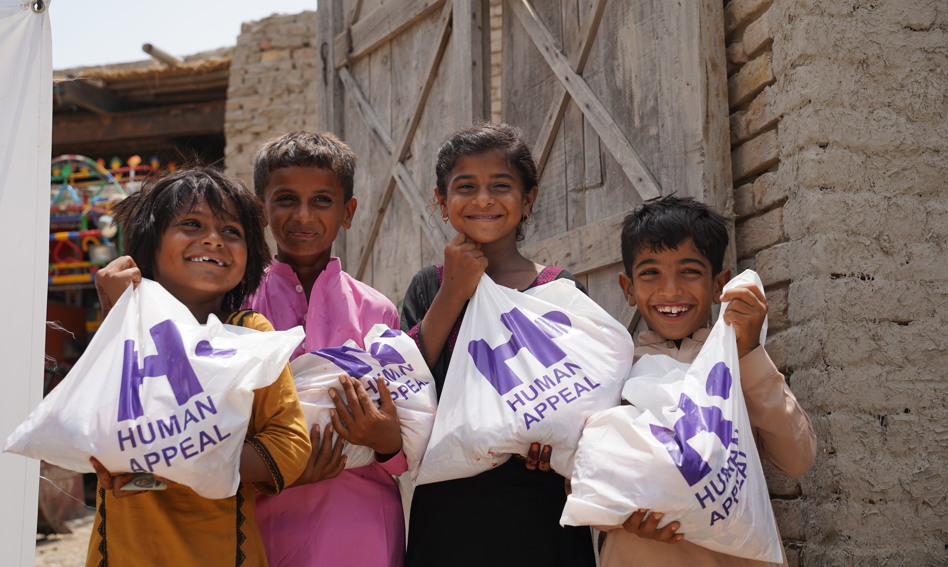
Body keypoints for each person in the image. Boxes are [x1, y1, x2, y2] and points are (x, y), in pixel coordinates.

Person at [86, 168, 312, 566]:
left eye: (231, 231)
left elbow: (289, 446)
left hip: (222, 552)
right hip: (123, 551)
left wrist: (179, 462)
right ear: (149, 245)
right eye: (191, 224)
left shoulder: (247, 334)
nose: (212, 239)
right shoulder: (124, 327)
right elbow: (95, 431)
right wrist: (117, 316)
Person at [400, 123, 597, 567]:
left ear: (527, 200)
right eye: (465, 186)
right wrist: (453, 290)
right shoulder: (429, 287)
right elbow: (408, 386)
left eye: (501, 186)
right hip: (450, 514)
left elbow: (585, 393)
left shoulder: (560, 291)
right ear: (441, 200)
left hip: (542, 510)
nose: (484, 199)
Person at [601, 195, 817, 566]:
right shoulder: (611, 371)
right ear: (628, 288)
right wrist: (621, 515)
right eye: (650, 272)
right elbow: (585, 479)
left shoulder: (738, 363)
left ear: (720, 284)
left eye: (689, 271)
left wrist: (748, 352)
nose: (671, 290)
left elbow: (796, 459)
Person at [245, 131, 407, 567]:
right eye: (285, 199)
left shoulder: (377, 311)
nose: (303, 215)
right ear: (261, 209)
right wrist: (273, 472)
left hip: (361, 522)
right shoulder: (237, 309)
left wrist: (386, 441)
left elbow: (407, 432)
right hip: (263, 521)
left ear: (348, 212)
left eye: (321, 200)